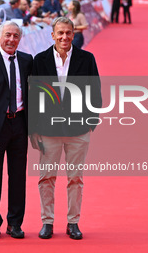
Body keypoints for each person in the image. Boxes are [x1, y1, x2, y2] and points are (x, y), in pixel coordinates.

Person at [30, 17, 102, 240]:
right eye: (60, 33)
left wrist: (91, 121)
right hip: (48, 131)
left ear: (74, 34)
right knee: (46, 178)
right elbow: (33, 95)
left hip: (77, 131)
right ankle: (47, 221)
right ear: (52, 35)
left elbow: (95, 90)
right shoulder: (40, 60)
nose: (64, 37)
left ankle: (73, 222)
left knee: (75, 179)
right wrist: (34, 129)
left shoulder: (86, 58)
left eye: (68, 33)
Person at [0, 21, 33, 239]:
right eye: (8, 35)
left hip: (20, 123)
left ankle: (15, 223)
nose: (12, 40)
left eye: (16, 36)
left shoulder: (28, 61)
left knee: (18, 176)